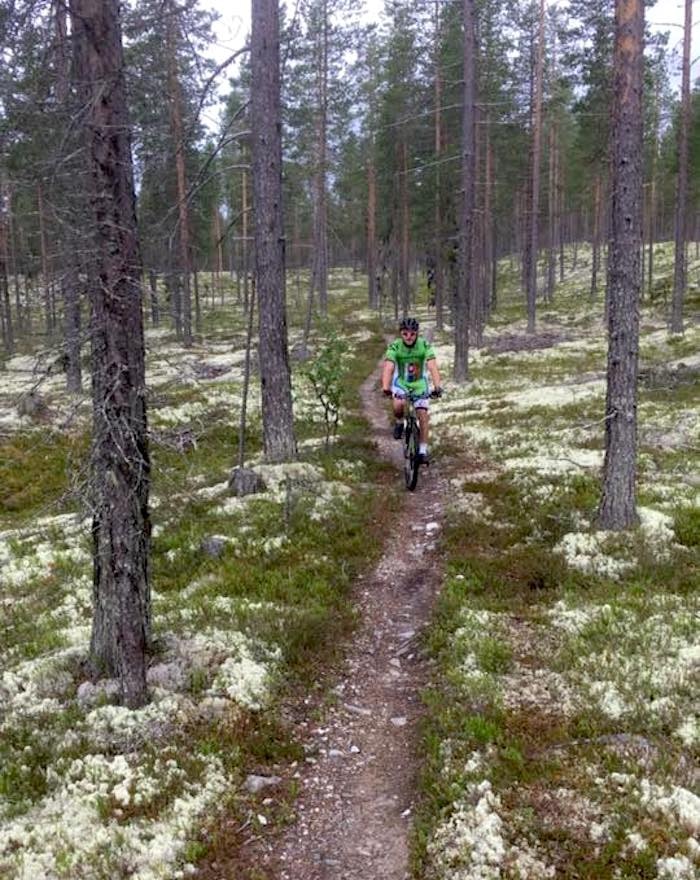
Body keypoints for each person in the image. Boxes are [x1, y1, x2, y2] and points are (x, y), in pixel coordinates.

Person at [381, 317, 442, 465]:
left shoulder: (424, 345)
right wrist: (385, 387)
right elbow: (388, 367)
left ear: (417, 334)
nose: (409, 337)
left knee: (423, 416)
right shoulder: (395, 346)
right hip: (401, 382)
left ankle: (422, 451)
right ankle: (400, 422)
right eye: (405, 334)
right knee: (398, 405)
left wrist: (437, 386)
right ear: (401, 334)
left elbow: (432, 366)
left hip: (420, 384)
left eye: (412, 334)